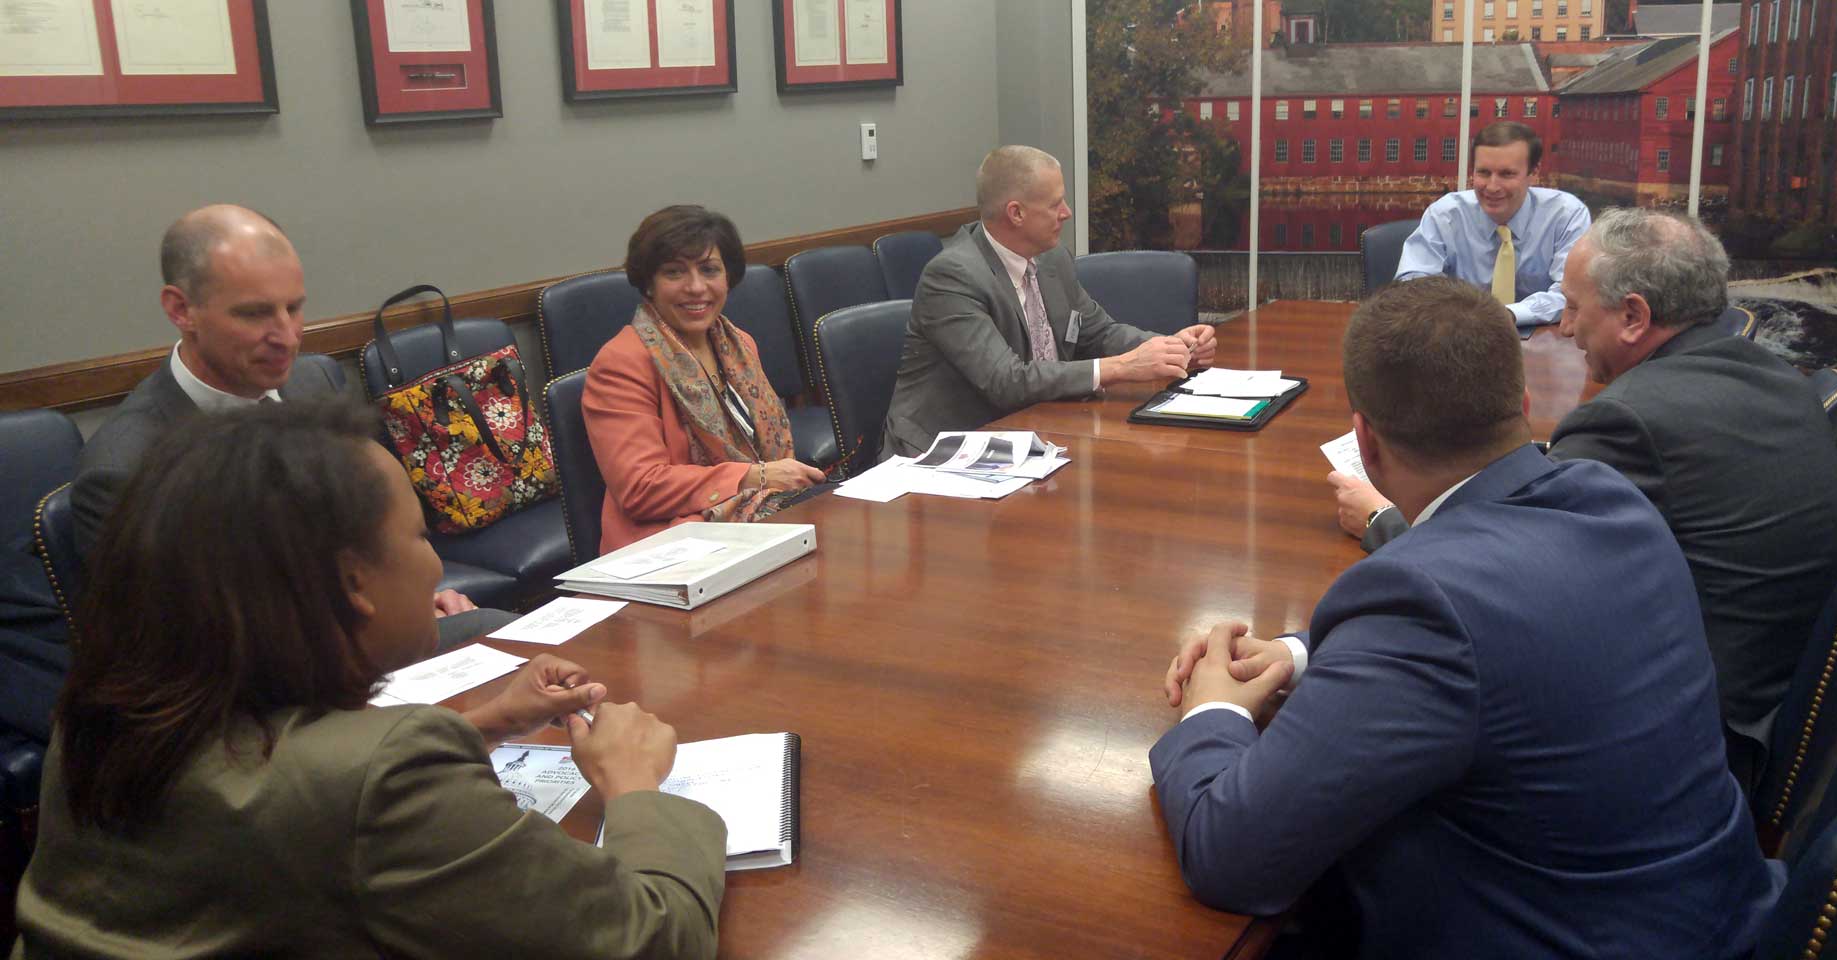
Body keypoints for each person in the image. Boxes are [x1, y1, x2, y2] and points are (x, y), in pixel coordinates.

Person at [1157, 278, 1782, 959]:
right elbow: (1501, 629)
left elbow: (1230, 856)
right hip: (1711, 914)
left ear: (1364, 442)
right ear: (1520, 404)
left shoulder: (1423, 604)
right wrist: (1302, 655)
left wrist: (1211, 712)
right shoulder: (1611, 498)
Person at [13, 401, 725, 958]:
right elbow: (650, 941)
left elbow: (286, 803)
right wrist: (634, 787)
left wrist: (490, 722)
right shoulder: (385, 776)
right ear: (353, 582)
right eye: (419, 537)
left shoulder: (98, 716)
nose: (435, 569)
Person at [1332, 208, 1837, 789]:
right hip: (1774, 700)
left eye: (1575, 307)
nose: (1568, 327)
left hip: (1693, 739)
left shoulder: (1628, 422)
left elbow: (1501, 586)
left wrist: (1384, 520)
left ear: (1633, 315)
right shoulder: (1771, 374)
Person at [70, 204, 506, 643]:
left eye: (294, 308)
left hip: (359, 637)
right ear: (181, 310)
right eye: (255, 314)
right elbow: (175, 653)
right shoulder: (125, 468)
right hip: (269, 690)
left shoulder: (311, 383)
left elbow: (363, 531)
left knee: (508, 638)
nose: (287, 336)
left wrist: (406, 598)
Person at [880, 145, 1218, 457]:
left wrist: (1169, 347)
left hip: (1033, 433)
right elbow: (1006, 381)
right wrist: (1123, 367)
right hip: (948, 452)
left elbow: (1098, 333)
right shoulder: (953, 276)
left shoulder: (1052, 259)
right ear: (1016, 213)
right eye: (1056, 204)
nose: (1067, 213)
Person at [583, 205, 824, 554]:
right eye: (674, 272)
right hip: (667, 544)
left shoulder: (740, 344)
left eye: (709, 270)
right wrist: (754, 476)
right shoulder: (621, 363)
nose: (696, 287)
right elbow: (640, 488)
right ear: (648, 284)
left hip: (752, 518)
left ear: (729, 277)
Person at [1394, 121, 1590, 330]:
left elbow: (1573, 294)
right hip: (1459, 335)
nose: (1492, 187)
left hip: (1543, 340)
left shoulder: (1566, 215)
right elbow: (1413, 282)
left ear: (1534, 173)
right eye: (1484, 173)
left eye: (1507, 174)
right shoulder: (1446, 215)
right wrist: (1455, 311)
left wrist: (1511, 314)